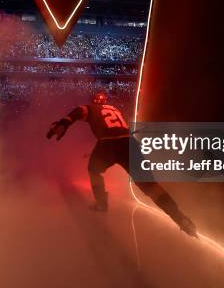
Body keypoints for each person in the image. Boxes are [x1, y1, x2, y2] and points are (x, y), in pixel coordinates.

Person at [47, 92, 198, 237]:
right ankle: (180, 218)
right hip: (129, 142)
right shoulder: (114, 109)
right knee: (149, 185)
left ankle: (101, 203)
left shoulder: (92, 107)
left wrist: (64, 122)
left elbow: (81, 110)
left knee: (93, 169)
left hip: (109, 143)